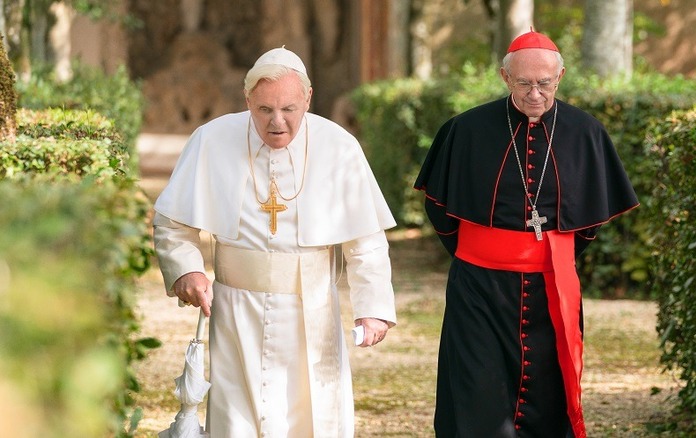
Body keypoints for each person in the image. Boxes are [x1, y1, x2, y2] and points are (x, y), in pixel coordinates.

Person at [153, 47, 397, 437]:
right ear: (247, 99)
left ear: (308, 99)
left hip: (313, 308)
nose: (277, 122)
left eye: (289, 108)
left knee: (311, 417)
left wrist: (373, 308)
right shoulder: (212, 139)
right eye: (264, 109)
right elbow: (171, 223)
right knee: (237, 419)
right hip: (234, 311)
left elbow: (365, 239)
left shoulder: (339, 147)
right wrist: (187, 269)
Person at [414, 30, 639, 437]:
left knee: (548, 392)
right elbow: (440, 210)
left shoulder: (585, 132)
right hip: (479, 287)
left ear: (561, 77)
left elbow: (590, 221)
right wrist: (488, 253)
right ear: (505, 77)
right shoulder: (465, 130)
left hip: (551, 285)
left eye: (545, 83)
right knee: (476, 390)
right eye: (523, 83)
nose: (535, 94)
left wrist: (548, 254)